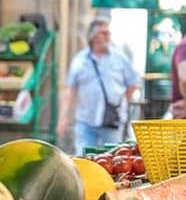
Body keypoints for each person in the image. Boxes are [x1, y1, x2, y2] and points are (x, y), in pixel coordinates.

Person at [57, 17, 139, 156]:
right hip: (86, 120)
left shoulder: (119, 57)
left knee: (112, 158)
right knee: (83, 158)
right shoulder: (80, 59)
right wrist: (63, 117)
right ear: (93, 36)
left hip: (112, 121)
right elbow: (70, 89)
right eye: (103, 33)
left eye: (108, 33)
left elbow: (132, 83)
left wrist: (121, 102)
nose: (108, 36)